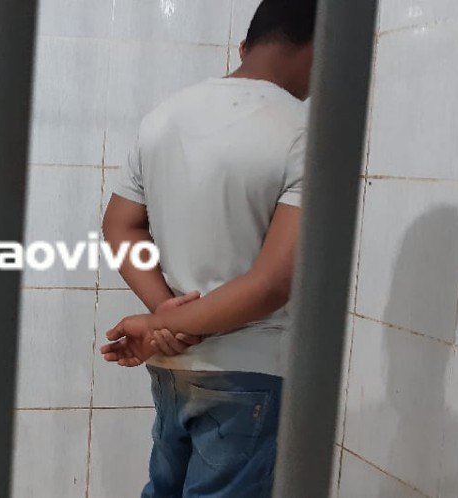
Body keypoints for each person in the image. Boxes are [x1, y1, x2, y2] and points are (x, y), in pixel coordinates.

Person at [99, 0, 316, 496]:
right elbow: (272, 284)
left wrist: (165, 314)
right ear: (315, 52)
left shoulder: (163, 117)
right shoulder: (306, 134)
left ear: (244, 48)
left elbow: (120, 226)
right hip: (252, 367)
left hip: (173, 364)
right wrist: (167, 324)